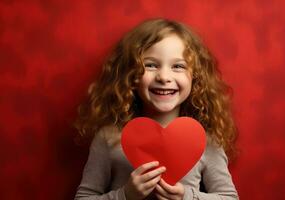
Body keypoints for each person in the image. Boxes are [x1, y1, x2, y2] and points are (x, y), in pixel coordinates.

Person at [74, 18, 239, 200]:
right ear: (131, 74)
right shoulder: (108, 137)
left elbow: (229, 198)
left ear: (196, 78)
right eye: (150, 65)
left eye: (178, 66)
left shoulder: (206, 141)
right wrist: (125, 195)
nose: (164, 77)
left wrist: (186, 197)